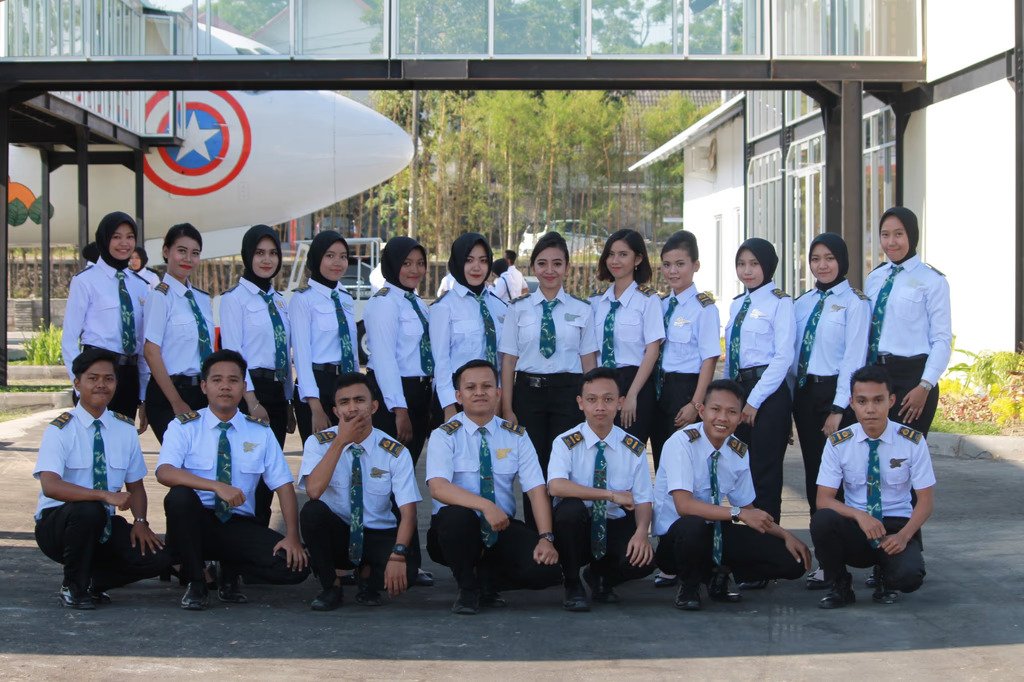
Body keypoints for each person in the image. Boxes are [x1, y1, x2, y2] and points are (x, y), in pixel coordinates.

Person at [156, 349, 309, 610]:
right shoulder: (184, 427)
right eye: (217, 380)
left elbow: (284, 486)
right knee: (179, 497)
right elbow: (164, 472)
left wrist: (293, 536)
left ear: (243, 387)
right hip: (196, 523)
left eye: (233, 380)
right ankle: (196, 581)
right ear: (204, 386)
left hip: (238, 523)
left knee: (295, 567)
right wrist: (217, 486)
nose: (225, 386)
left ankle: (230, 571)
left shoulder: (260, 432)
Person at [653, 379, 810, 611]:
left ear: (740, 417)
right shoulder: (681, 443)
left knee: (791, 561)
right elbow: (684, 506)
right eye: (715, 409)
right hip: (676, 541)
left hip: (713, 532)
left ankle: (718, 574)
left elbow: (749, 509)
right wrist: (738, 514)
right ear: (702, 411)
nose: (723, 418)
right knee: (694, 525)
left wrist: (785, 535)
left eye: (731, 412)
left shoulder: (738, 450)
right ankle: (689, 585)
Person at [33, 348, 171, 609]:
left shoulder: (124, 429)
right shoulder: (60, 429)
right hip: (59, 525)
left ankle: (92, 582)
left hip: (102, 525)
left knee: (159, 557)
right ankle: (73, 587)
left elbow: (136, 486)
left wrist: (140, 522)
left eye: (108, 379)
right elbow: (50, 486)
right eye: (93, 378)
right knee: (89, 510)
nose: (101, 385)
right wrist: (103, 495)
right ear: (77, 383)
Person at [425, 360, 562, 615]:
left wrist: (546, 538)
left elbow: (536, 490)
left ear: (498, 392)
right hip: (455, 530)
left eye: (487, 386)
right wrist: (486, 506)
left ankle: (487, 580)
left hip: (500, 527)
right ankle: (467, 588)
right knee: (456, 518)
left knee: (548, 571)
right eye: (471, 387)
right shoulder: (444, 435)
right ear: (458, 396)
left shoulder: (516, 435)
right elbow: (438, 488)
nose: (479, 392)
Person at [811, 365, 935, 608]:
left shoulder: (912, 441)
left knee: (909, 578)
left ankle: (885, 576)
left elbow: (926, 501)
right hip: (858, 527)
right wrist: (860, 516)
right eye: (862, 401)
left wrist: (904, 536)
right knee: (822, 520)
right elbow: (823, 500)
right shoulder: (838, 443)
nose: (870, 409)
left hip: (896, 526)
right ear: (852, 403)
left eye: (878, 400)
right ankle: (840, 585)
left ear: (891, 401)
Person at [298, 373, 422, 610]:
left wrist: (397, 555)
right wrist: (340, 442)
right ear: (336, 411)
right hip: (339, 533)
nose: (352, 408)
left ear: (373, 406)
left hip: (377, 532)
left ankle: (368, 576)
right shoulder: (318, 443)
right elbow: (313, 491)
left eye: (359, 400)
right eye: (344, 402)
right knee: (312, 512)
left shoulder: (395, 452)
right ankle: (331, 586)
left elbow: (409, 513)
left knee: (407, 573)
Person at [499, 231, 597, 527]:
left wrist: (590, 405)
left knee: (566, 467)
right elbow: (508, 362)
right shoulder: (518, 309)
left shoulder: (583, 309)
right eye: (542, 263)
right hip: (528, 395)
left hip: (569, 395)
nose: (550, 270)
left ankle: (566, 535)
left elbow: (589, 363)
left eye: (557, 263)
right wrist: (507, 408)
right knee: (533, 470)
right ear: (533, 267)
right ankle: (537, 536)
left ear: (567, 267)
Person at [789, 233, 870, 588]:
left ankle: (860, 553)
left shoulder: (855, 303)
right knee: (815, 477)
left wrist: (838, 408)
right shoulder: (801, 303)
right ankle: (826, 560)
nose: (821, 265)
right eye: (815, 258)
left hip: (836, 397)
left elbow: (853, 358)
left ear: (842, 261)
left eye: (829, 258)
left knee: (842, 478)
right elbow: (791, 357)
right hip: (805, 396)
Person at [548, 367, 655, 611]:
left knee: (644, 561)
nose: (600, 407)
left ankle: (601, 576)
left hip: (612, 523)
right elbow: (556, 486)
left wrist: (642, 533)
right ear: (580, 403)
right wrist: (610, 495)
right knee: (569, 511)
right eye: (592, 399)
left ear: (620, 403)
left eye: (608, 399)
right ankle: (572, 583)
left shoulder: (633, 447)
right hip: (578, 527)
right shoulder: (565, 442)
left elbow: (643, 498)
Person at [219, 224, 296, 526]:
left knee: (269, 471)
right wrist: (251, 401)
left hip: (276, 393)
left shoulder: (279, 301)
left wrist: (288, 401)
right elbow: (233, 354)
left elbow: (285, 353)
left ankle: (260, 534)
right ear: (247, 255)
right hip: (249, 392)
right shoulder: (234, 299)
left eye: (273, 253)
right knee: (247, 469)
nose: (267, 260)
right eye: (260, 253)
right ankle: (239, 534)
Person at [723, 238, 795, 526]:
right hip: (739, 392)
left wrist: (754, 401)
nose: (747, 270)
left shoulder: (780, 302)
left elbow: (783, 357)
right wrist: (726, 395)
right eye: (741, 264)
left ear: (768, 265)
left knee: (765, 471)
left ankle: (768, 539)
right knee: (739, 468)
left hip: (768, 394)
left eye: (754, 264)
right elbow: (732, 357)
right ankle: (744, 536)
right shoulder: (737, 304)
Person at [864, 207, 951, 436]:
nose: (891, 242)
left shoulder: (932, 281)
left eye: (899, 234)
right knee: (875, 451)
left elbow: (941, 339)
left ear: (912, 235)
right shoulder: (875, 278)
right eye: (885, 235)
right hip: (876, 376)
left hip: (912, 379)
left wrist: (925, 385)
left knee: (906, 453)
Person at [62, 211, 150, 427]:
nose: (124, 243)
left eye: (130, 237)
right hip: (95, 376)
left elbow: (142, 345)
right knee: (93, 441)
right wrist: (80, 385)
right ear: (104, 239)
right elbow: (69, 340)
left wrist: (143, 394)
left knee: (122, 441)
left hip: (128, 378)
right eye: (116, 237)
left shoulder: (141, 285)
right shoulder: (85, 281)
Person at [651, 230, 721, 468]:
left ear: (695, 265)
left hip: (685, 391)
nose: (672, 271)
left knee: (684, 462)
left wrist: (695, 404)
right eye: (667, 265)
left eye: (680, 264)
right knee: (661, 460)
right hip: (658, 389)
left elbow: (709, 360)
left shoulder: (704, 309)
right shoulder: (659, 305)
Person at [591, 229, 664, 447]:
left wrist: (632, 395)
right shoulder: (596, 302)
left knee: (630, 451)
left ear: (638, 259)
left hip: (634, 382)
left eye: (623, 254)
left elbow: (652, 351)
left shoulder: (648, 300)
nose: (615, 261)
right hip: (601, 384)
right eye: (611, 254)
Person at [364, 237, 434, 463]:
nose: (415, 270)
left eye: (420, 263)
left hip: (419, 394)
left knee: (407, 469)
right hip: (393, 397)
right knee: (387, 470)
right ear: (393, 264)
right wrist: (399, 409)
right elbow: (385, 360)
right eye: (406, 263)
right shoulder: (384, 303)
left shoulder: (417, 302)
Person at [143, 223, 214, 443]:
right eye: (181, 251)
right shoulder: (160, 297)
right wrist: (176, 401)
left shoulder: (202, 299)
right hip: (170, 395)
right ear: (166, 252)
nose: (188, 259)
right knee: (180, 460)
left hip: (202, 393)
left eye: (195, 253)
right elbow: (151, 352)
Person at [289, 230, 360, 444]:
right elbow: (301, 357)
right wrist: (315, 406)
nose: (337, 262)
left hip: (345, 384)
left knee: (348, 455)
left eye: (343, 256)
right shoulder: (303, 300)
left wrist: (358, 389)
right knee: (320, 456)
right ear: (317, 257)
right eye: (330, 256)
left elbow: (352, 351)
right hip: (318, 384)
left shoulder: (345, 298)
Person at [429, 233, 507, 423]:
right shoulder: (444, 307)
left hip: (492, 398)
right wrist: (448, 406)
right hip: (457, 399)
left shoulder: (500, 307)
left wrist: (501, 399)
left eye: (483, 260)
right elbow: (441, 361)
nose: (476, 267)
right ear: (457, 262)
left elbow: (503, 359)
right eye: (469, 260)